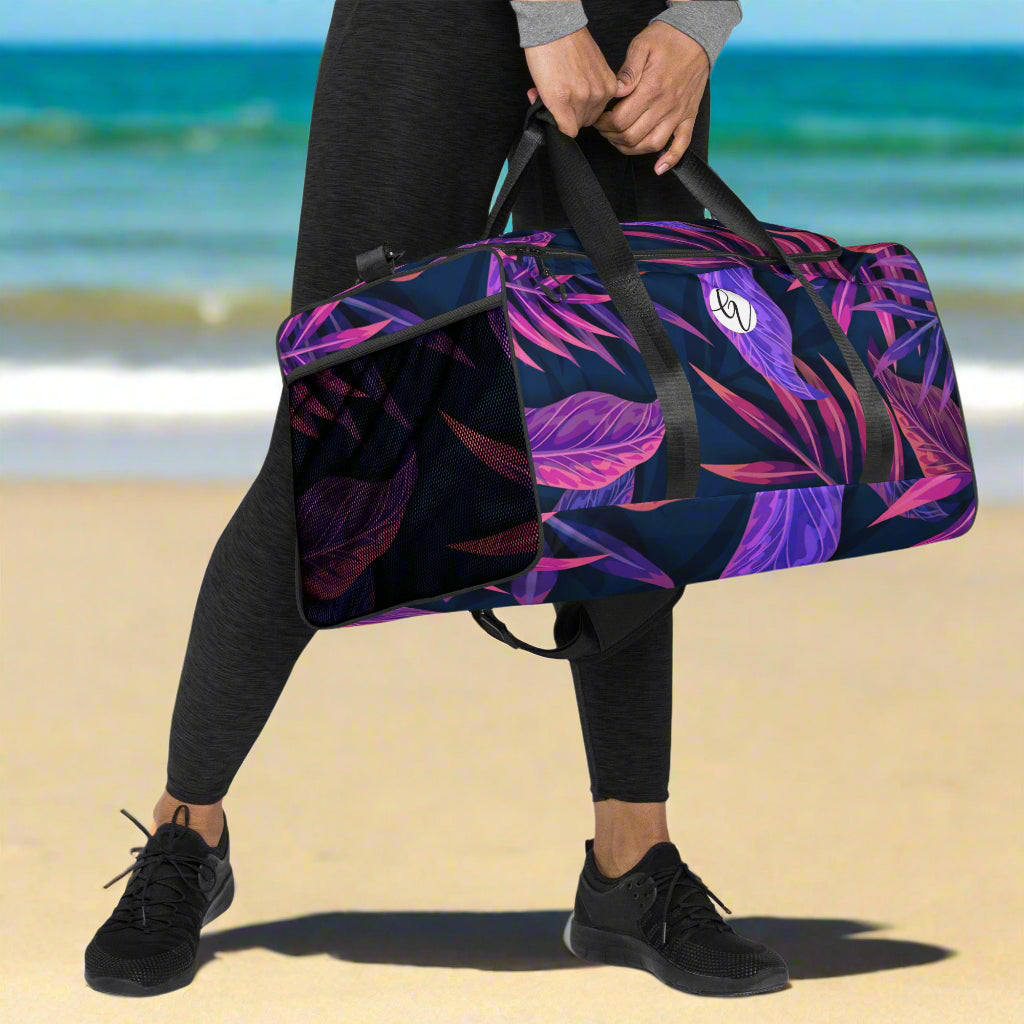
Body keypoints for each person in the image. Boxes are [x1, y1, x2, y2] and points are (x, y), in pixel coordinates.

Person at [84, 0, 788, 1000]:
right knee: (337, 432)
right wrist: (548, 15)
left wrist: (699, 24)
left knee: (628, 443)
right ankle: (185, 833)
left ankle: (630, 866)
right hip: (432, 19)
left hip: (644, 29)